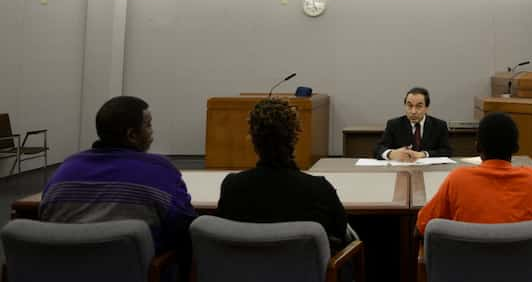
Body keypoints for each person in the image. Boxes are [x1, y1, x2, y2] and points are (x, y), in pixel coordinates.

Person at [40, 96, 196, 255]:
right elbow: (185, 226)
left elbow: (45, 218)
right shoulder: (160, 170)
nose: (152, 131)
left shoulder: (65, 169)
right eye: (148, 125)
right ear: (132, 135)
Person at [216, 98, 348, 248]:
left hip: (244, 270)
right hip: (304, 271)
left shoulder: (232, 187)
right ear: (295, 137)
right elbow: (340, 233)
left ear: (253, 138)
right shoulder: (319, 189)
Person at [416, 112, 532, 234]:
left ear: (477, 146)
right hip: (524, 267)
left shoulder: (457, 180)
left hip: (468, 267)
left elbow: (422, 225)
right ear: (516, 147)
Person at [374, 87, 452, 161]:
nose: (413, 111)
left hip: (429, 172)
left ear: (426, 108)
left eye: (419, 106)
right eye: (409, 106)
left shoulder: (439, 125)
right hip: (401, 171)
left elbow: (447, 151)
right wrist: (391, 154)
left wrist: (423, 154)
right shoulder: (394, 124)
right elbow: (378, 149)